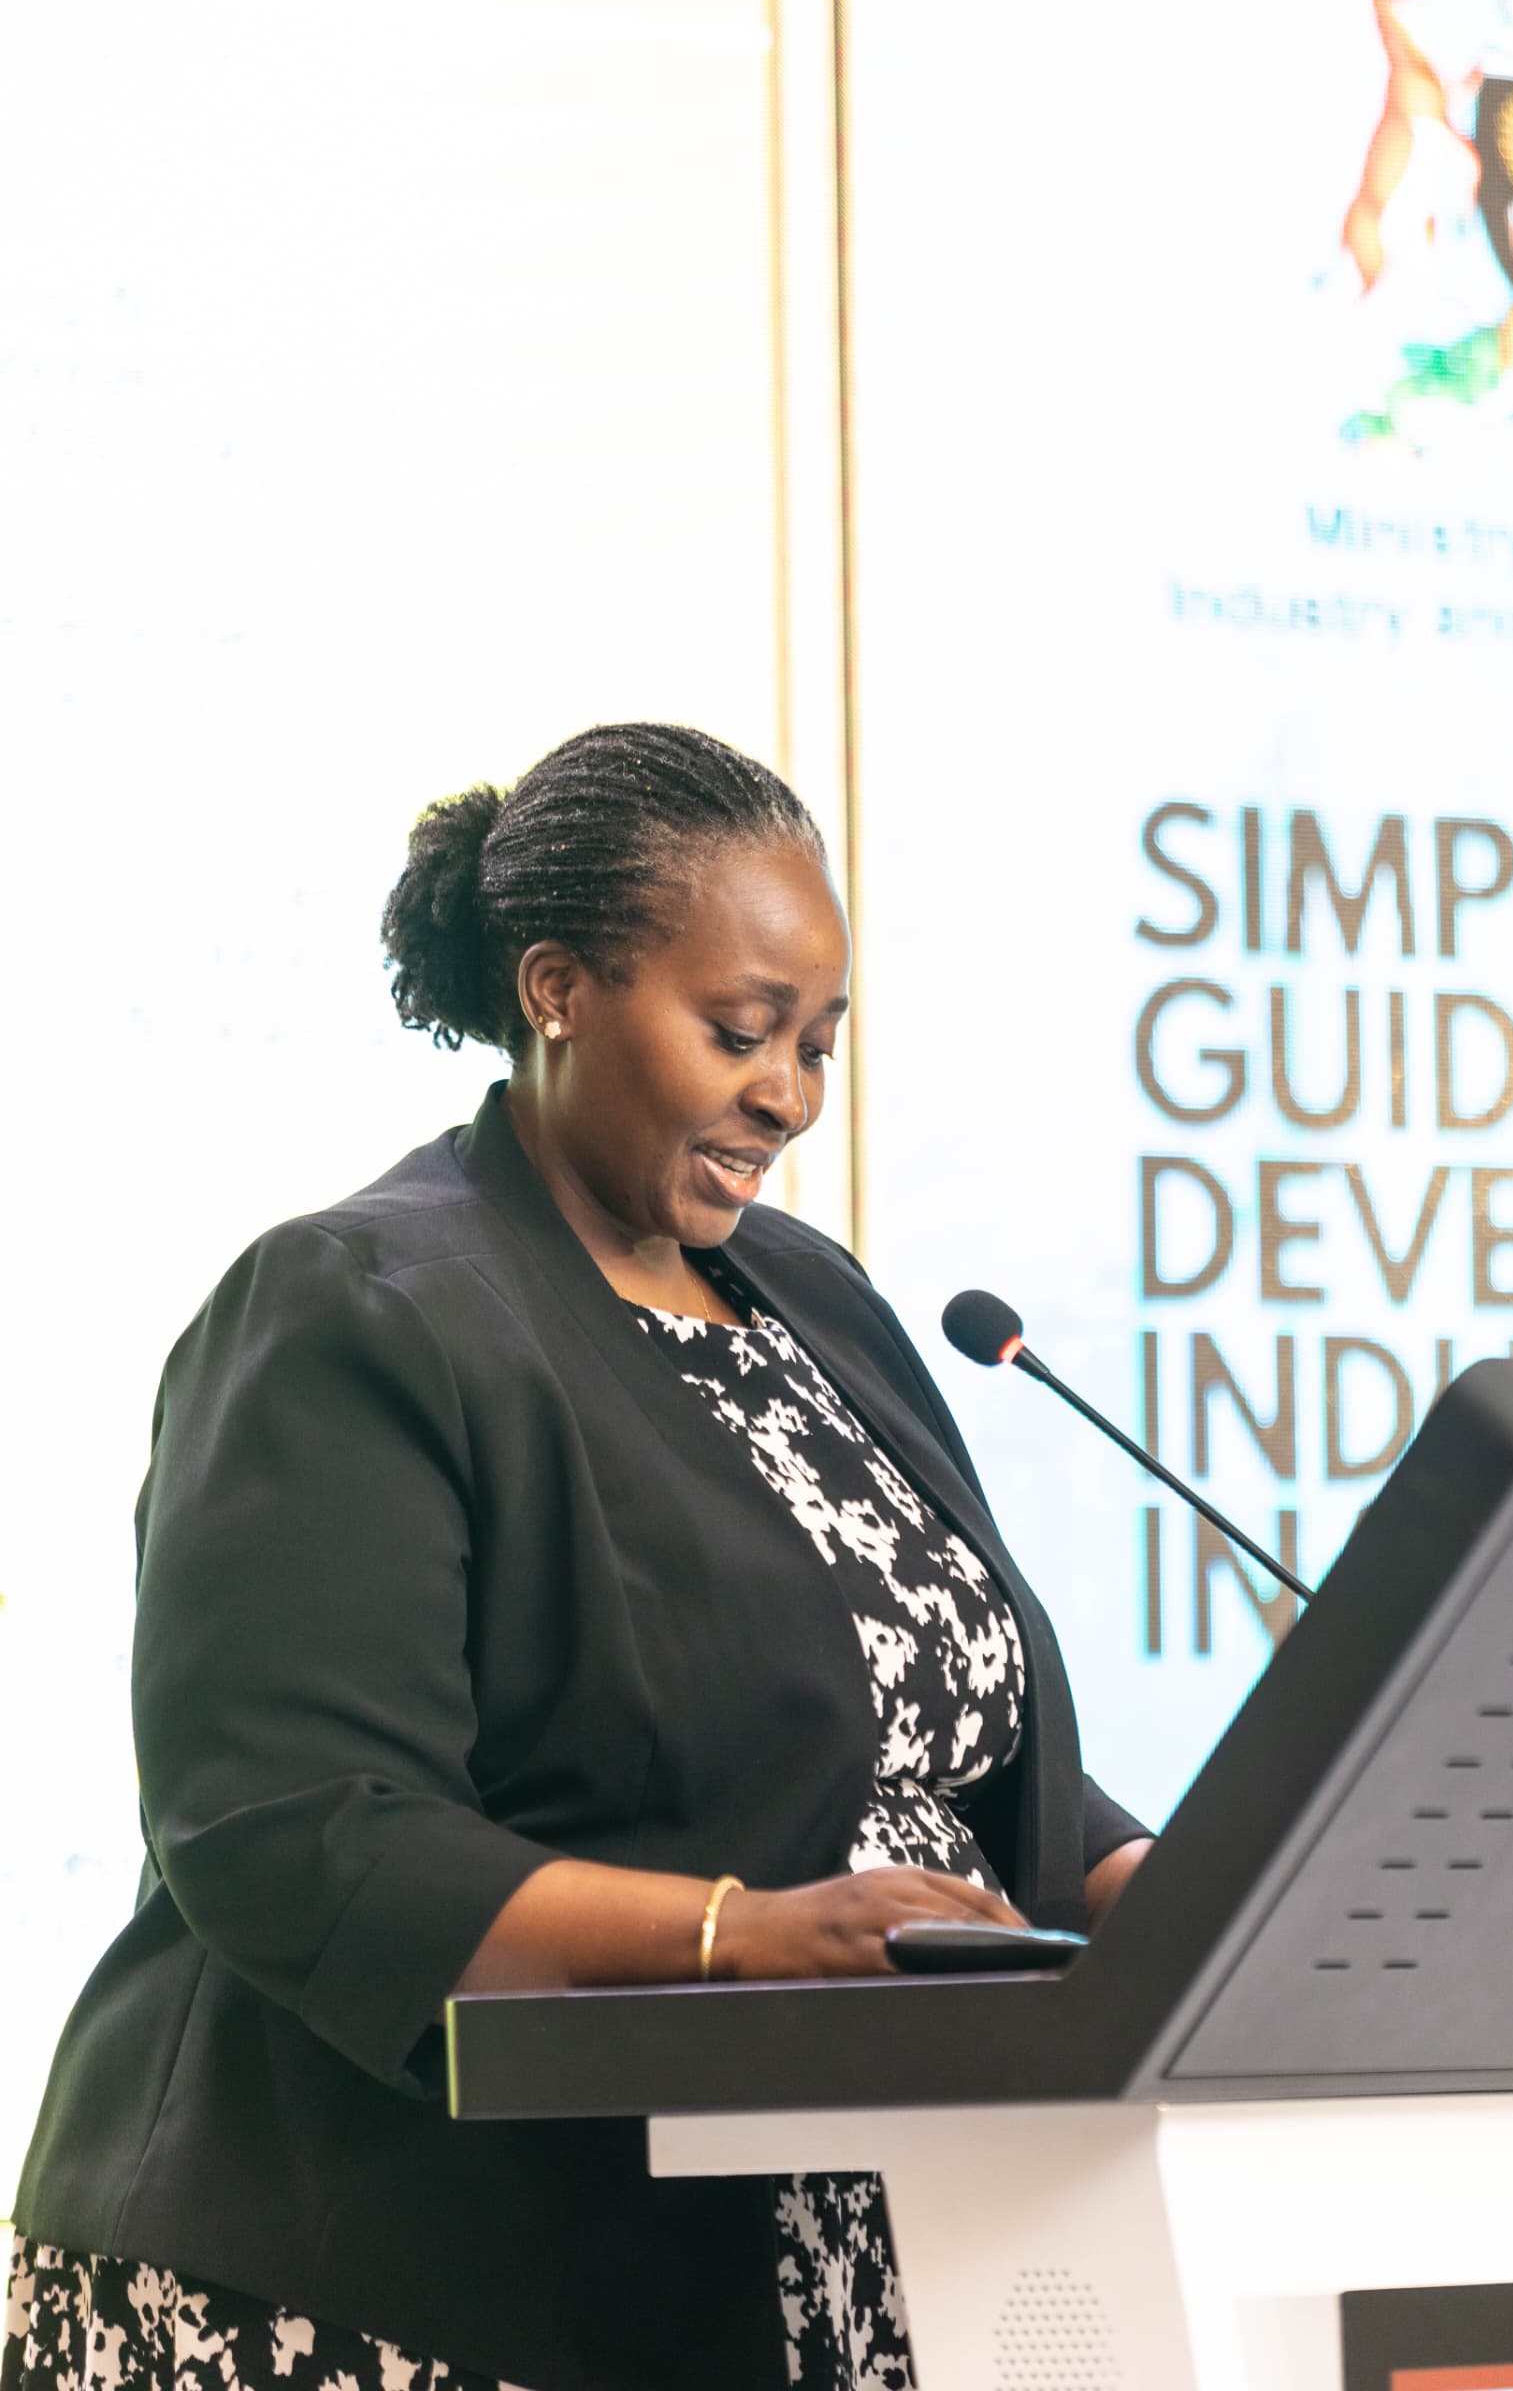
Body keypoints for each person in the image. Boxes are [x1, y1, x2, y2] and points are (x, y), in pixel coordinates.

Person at [5, 722, 1150, 2391]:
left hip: (805, 2232)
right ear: (556, 989)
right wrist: (739, 1932)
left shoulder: (817, 1302)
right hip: (375, 2275)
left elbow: (921, 1736)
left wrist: (1176, 1896)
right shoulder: (355, 1308)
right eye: (740, 1033)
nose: (787, 1096)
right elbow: (298, 1830)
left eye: (818, 1047)